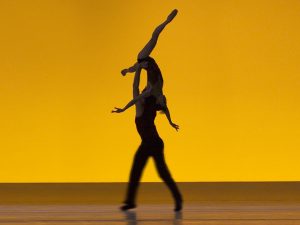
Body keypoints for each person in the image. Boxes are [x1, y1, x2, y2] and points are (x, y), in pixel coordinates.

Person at [112, 64, 183, 212]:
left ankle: (177, 198)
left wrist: (139, 69)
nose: (140, 93)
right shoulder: (143, 106)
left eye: (143, 93)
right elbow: (136, 87)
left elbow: (138, 88)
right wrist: (138, 68)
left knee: (160, 172)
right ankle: (131, 201)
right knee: (138, 171)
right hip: (149, 143)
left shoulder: (145, 107)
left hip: (154, 143)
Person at [113, 9, 179, 131]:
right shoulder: (161, 100)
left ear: (158, 102)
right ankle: (127, 70)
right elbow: (166, 110)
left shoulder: (149, 92)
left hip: (145, 60)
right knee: (137, 66)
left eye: (163, 100)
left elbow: (135, 100)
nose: (165, 99)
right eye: (165, 101)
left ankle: (167, 21)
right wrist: (170, 122)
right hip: (150, 63)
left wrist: (123, 109)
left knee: (154, 37)